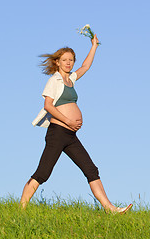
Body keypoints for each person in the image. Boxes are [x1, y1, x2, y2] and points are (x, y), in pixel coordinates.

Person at [20, 34, 133, 213]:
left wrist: (94, 45)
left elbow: (86, 66)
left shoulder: (70, 79)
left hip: (71, 136)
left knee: (91, 170)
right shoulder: (54, 80)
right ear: (57, 62)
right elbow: (48, 105)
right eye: (64, 60)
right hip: (57, 133)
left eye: (71, 60)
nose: (68, 63)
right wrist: (67, 120)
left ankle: (110, 209)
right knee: (43, 173)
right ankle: (21, 210)